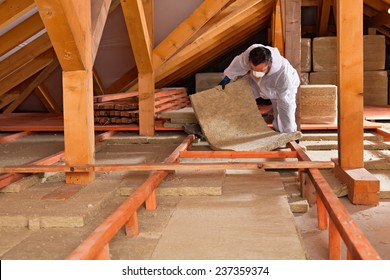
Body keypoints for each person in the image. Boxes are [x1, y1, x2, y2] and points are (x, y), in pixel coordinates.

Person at [219, 44, 300, 133]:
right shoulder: (247, 56)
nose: (257, 73)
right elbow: (237, 65)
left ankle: (287, 132)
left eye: (261, 70)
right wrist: (227, 78)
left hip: (278, 88)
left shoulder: (283, 74)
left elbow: (285, 106)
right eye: (254, 69)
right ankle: (233, 126)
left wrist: (290, 133)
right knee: (237, 91)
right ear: (249, 62)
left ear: (270, 63)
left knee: (280, 110)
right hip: (256, 82)